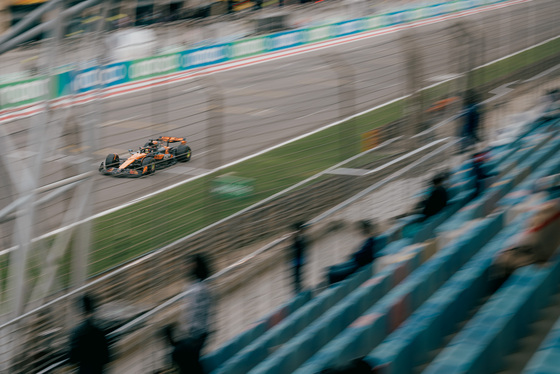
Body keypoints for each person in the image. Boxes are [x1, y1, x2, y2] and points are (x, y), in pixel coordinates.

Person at [178, 253, 213, 373]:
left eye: (189, 264)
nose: (186, 267)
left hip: (196, 335)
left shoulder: (197, 289)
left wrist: (191, 334)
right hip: (198, 333)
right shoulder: (199, 287)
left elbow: (194, 312)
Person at [68, 294, 110, 374]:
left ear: (78, 312)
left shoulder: (76, 332)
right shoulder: (99, 330)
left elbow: (73, 359)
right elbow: (106, 358)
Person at [328, 220, 379, 285]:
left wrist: (355, 255)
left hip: (358, 265)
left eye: (362, 229)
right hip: (356, 262)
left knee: (332, 274)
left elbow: (364, 256)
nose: (360, 231)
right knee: (332, 269)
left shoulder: (371, 240)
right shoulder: (370, 240)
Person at [291, 221, 309, 294]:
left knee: (297, 274)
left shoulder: (299, 239)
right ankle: (297, 287)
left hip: (298, 259)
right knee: (298, 274)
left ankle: (297, 288)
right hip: (299, 258)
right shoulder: (301, 239)